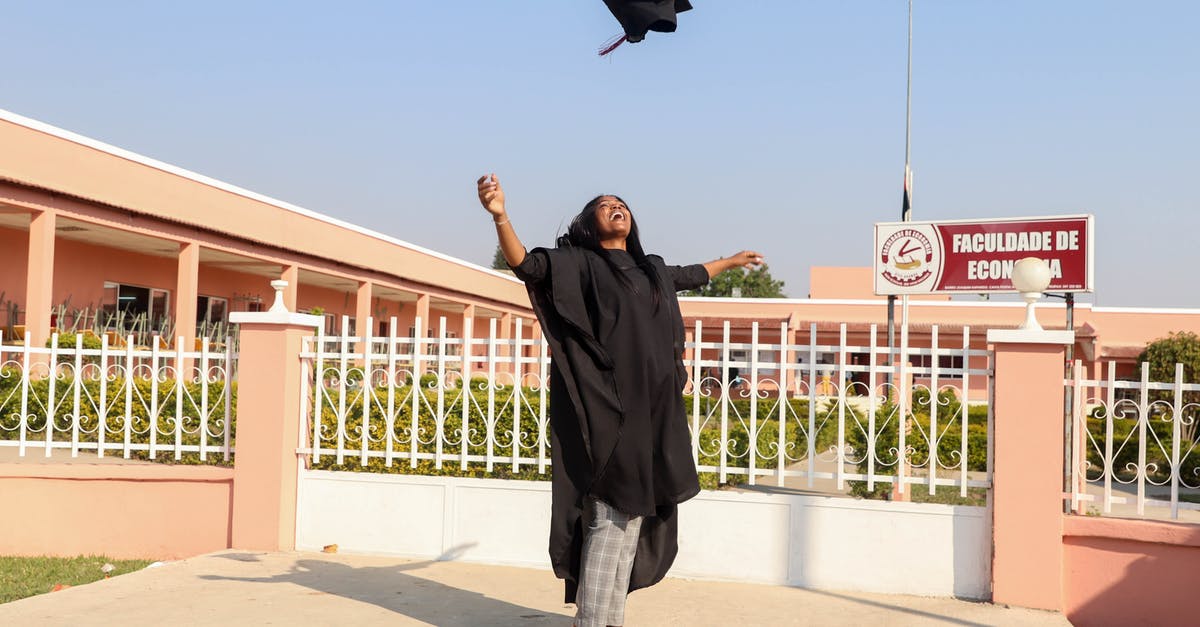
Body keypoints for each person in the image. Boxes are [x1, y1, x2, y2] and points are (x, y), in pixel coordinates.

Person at [476, 174, 763, 627]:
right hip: (609, 408)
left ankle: (609, 618)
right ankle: (593, 620)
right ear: (589, 224)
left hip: (653, 412)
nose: (617, 206)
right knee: (611, 516)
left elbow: (691, 275)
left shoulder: (651, 270)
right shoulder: (580, 264)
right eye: (604, 204)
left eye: (621, 203)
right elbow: (527, 266)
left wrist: (732, 260)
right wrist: (501, 217)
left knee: (630, 519)